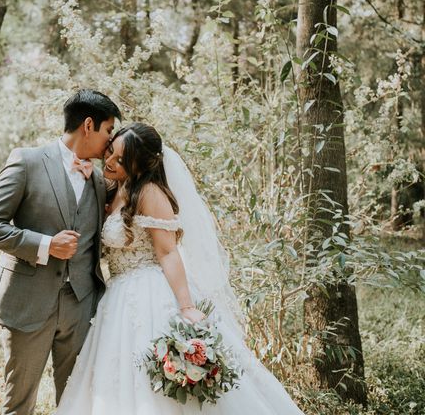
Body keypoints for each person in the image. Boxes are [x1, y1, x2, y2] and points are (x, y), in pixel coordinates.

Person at [56, 122, 305, 415]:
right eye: (110, 152)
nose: (109, 161)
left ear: (141, 165)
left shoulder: (150, 194)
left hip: (149, 292)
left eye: (120, 160)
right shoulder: (116, 186)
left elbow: (169, 253)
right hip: (117, 297)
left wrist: (186, 306)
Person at [0, 89, 121, 415]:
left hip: (81, 307)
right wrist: (46, 245)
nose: (110, 142)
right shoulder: (27, 161)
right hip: (28, 301)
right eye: (108, 130)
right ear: (88, 125)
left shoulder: (98, 180)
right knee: (18, 405)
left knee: (75, 404)